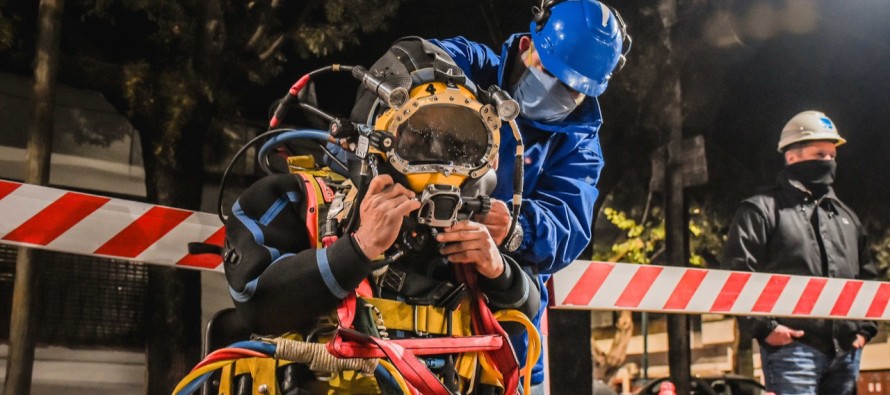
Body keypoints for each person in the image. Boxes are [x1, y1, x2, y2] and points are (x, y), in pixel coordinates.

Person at [221, 37, 541, 395]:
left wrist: (498, 270)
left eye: (459, 143)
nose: (441, 160)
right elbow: (254, 303)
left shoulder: (470, 222)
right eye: (419, 138)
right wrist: (356, 248)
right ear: (375, 136)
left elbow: (523, 318)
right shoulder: (295, 198)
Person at [429, 0, 632, 390]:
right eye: (548, 71)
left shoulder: (580, 145)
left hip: (503, 333)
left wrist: (516, 227)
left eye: (572, 89)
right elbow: (412, 61)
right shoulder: (472, 65)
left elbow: (568, 224)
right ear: (527, 44)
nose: (555, 90)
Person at [721, 110, 878, 395]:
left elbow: (869, 276)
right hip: (792, 351)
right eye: (820, 155)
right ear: (792, 157)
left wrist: (864, 331)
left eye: (832, 156)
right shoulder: (761, 210)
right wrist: (766, 329)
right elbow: (737, 274)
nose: (829, 162)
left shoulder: (846, 217)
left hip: (846, 354)